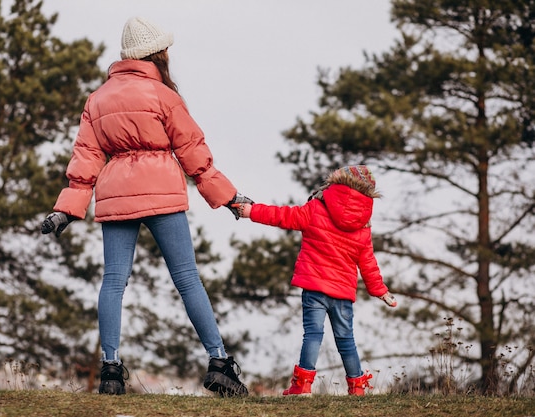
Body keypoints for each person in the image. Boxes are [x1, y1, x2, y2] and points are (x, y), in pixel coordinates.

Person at [41, 16, 252, 397]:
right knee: (187, 279)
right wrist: (229, 198)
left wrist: (67, 208)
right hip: (161, 191)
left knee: (113, 282)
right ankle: (219, 363)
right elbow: (194, 154)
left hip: (115, 193)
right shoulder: (164, 95)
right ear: (157, 54)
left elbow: (86, 158)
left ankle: (109, 370)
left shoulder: (98, 98)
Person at [232, 165, 397, 396]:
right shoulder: (363, 225)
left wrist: (251, 211)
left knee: (312, 334)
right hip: (342, 293)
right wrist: (380, 290)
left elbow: (282, 216)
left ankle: (303, 385)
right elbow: (368, 262)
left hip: (315, 287)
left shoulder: (316, 208)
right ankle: (357, 387)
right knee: (346, 339)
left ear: (337, 183)